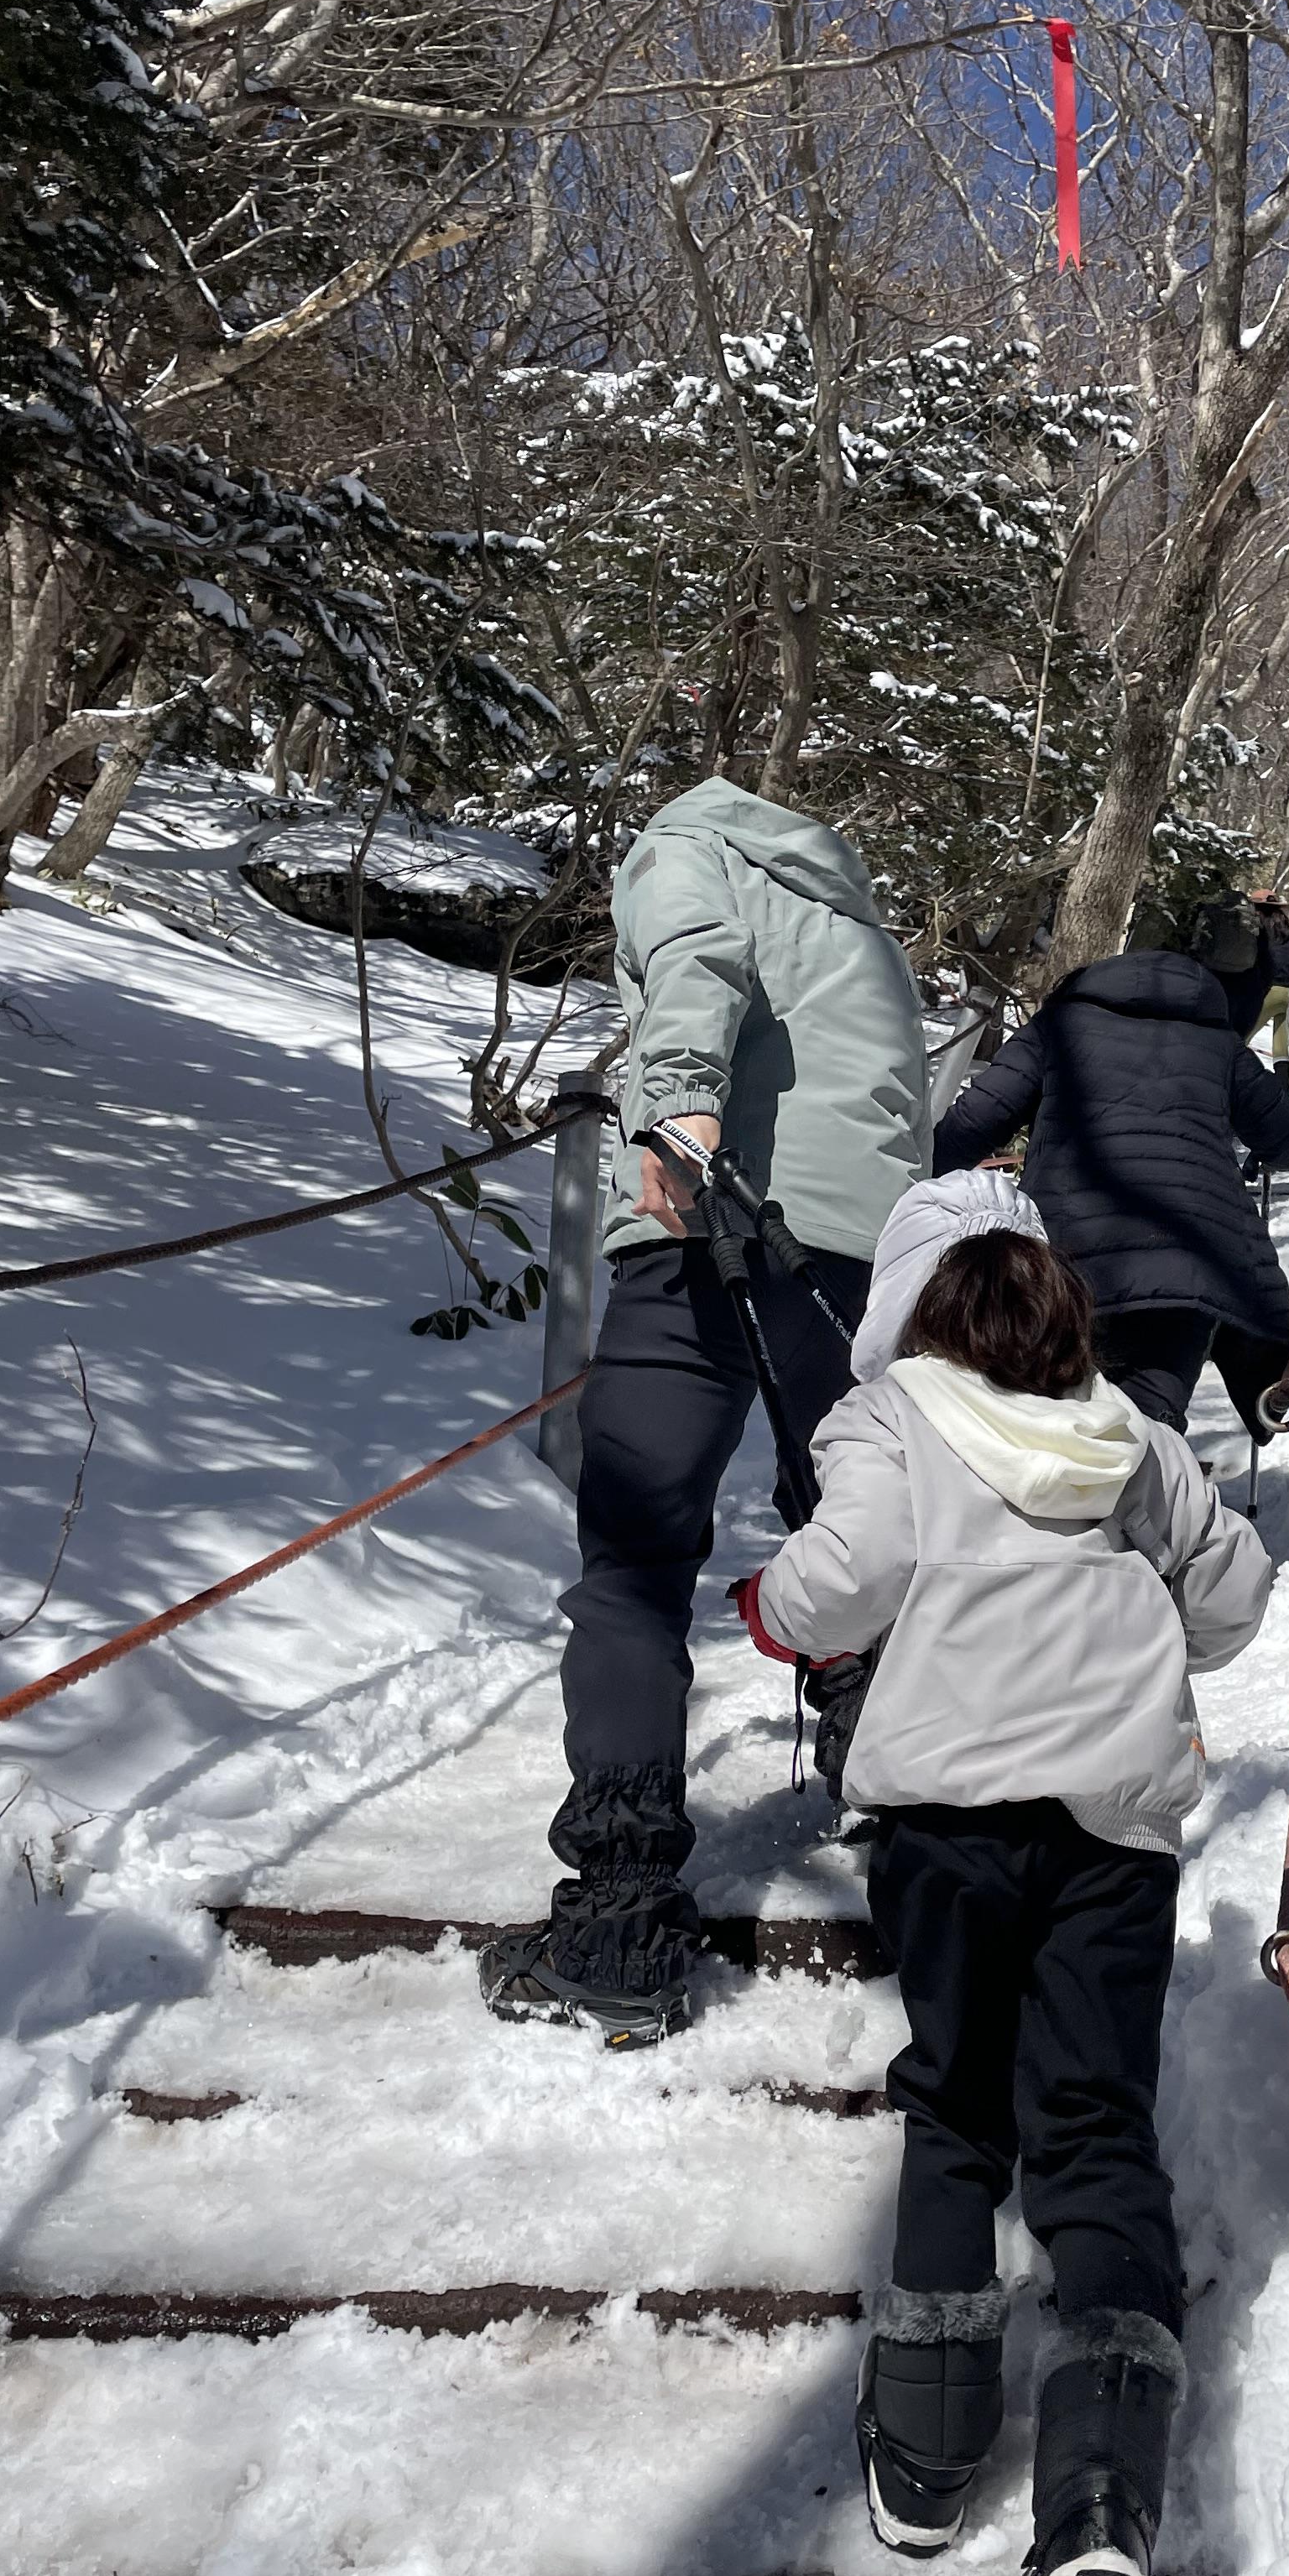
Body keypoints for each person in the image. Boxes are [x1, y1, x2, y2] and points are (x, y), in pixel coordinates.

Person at [738, 1212, 1272, 2576]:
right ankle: (1097, 2515)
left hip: (945, 1826)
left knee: (956, 2108)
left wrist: (767, 1608)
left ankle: (924, 2453)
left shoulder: (889, 1415)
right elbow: (1230, 1600)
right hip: (1109, 1828)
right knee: (1093, 2134)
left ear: (909, 1305)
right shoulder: (1134, 1435)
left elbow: (842, 1578)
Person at [478, 777, 929, 2045]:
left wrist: (677, 1111)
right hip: (851, 1255)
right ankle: (923, 1854)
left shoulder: (689, 852)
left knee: (634, 1558)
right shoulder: (860, 927)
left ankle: (621, 1924)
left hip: (703, 1219)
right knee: (859, 1538)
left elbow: (694, 964)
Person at [931, 921, 1289, 1440]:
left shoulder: (1060, 1025)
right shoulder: (1217, 1042)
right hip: (1192, 1260)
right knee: (1148, 1422)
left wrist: (916, 1176)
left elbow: (973, 1122)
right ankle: (1149, 1494)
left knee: (1056, 1412)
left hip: (1072, 1255)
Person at [1187, 884, 1289, 1043]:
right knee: (1245, 1044)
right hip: (1267, 994)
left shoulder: (1238, 927)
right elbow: (1268, 970)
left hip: (1215, 990)